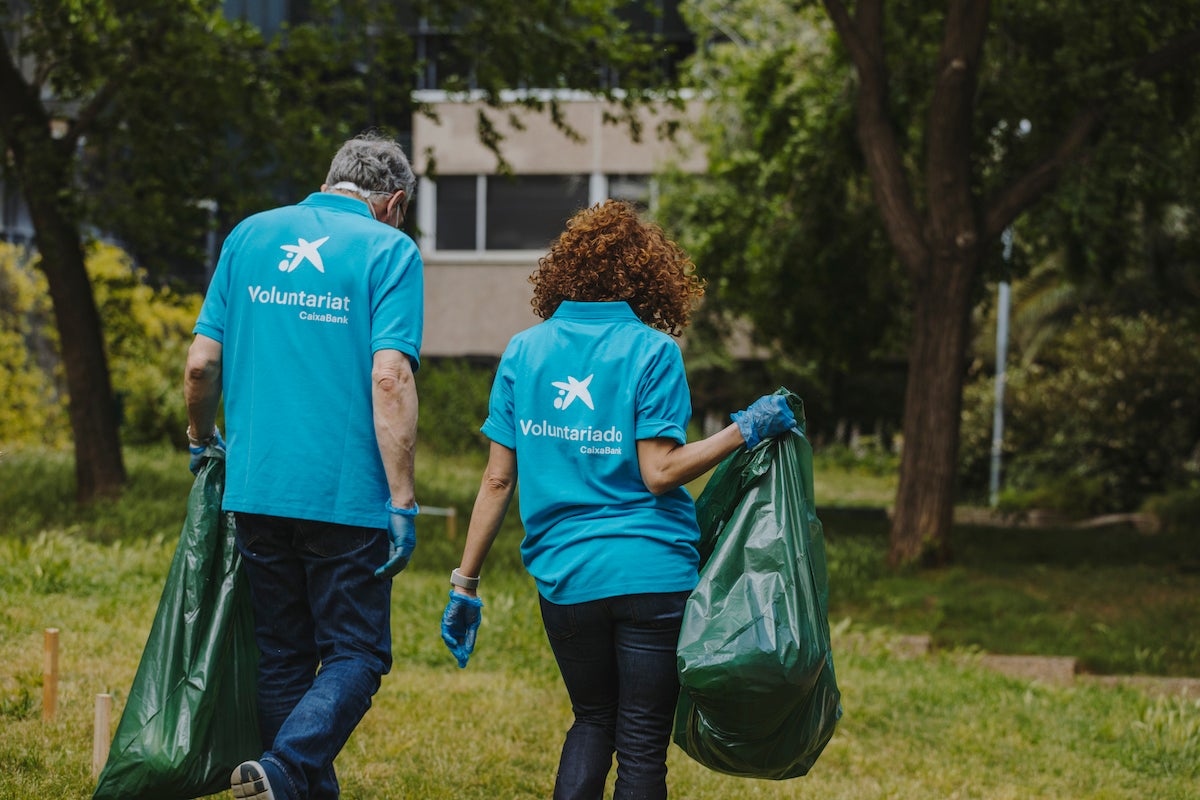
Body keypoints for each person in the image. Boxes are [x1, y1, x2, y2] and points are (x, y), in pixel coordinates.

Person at [439, 199, 795, 799]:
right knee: (640, 742)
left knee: (593, 719)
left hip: (566, 578)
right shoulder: (653, 351)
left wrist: (464, 584)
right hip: (652, 576)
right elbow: (659, 473)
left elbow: (498, 480)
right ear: (649, 276)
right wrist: (744, 430)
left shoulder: (524, 352)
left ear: (565, 270)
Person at [184, 131, 423, 800]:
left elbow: (201, 362)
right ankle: (285, 769)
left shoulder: (249, 236)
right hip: (346, 496)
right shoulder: (389, 251)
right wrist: (402, 501)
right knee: (358, 653)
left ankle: (281, 782)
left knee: (285, 654)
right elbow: (390, 379)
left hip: (257, 488)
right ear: (393, 201)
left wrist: (201, 441)